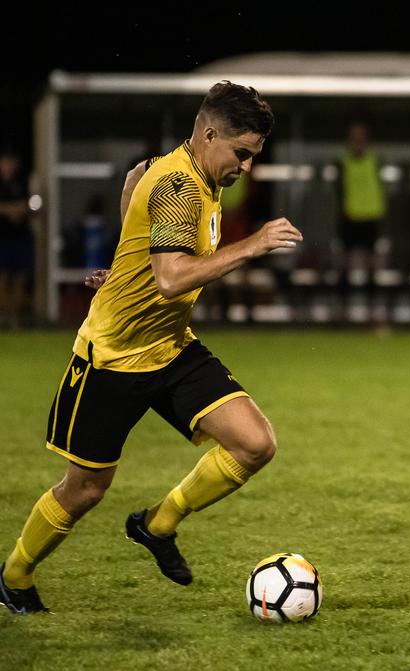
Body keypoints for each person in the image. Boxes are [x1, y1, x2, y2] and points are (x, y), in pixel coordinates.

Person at [0, 81, 303, 614]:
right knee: (86, 489)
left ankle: (156, 525)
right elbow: (171, 278)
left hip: (170, 346)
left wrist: (122, 270)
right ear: (210, 134)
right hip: (112, 358)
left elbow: (146, 238)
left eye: (253, 157)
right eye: (242, 153)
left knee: (255, 443)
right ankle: (15, 574)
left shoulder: (191, 179)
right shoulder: (177, 186)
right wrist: (252, 244)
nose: (247, 167)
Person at [337, 121, 388, 325]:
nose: (358, 141)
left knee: (371, 269)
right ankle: (344, 312)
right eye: (354, 136)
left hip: (370, 218)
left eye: (361, 136)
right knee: (345, 267)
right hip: (349, 219)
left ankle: (372, 311)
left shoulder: (375, 161)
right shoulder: (342, 162)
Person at [0, 148, 34, 329]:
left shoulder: (23, 182)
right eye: (6, 161)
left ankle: (15, 316)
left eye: (12, 162)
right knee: (3, 279)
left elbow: (30, 205)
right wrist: (11, 209)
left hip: (21, 237)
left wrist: (16, 209)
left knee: (21, 279)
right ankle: (4, 316)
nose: (9, 166)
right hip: (3, 238)